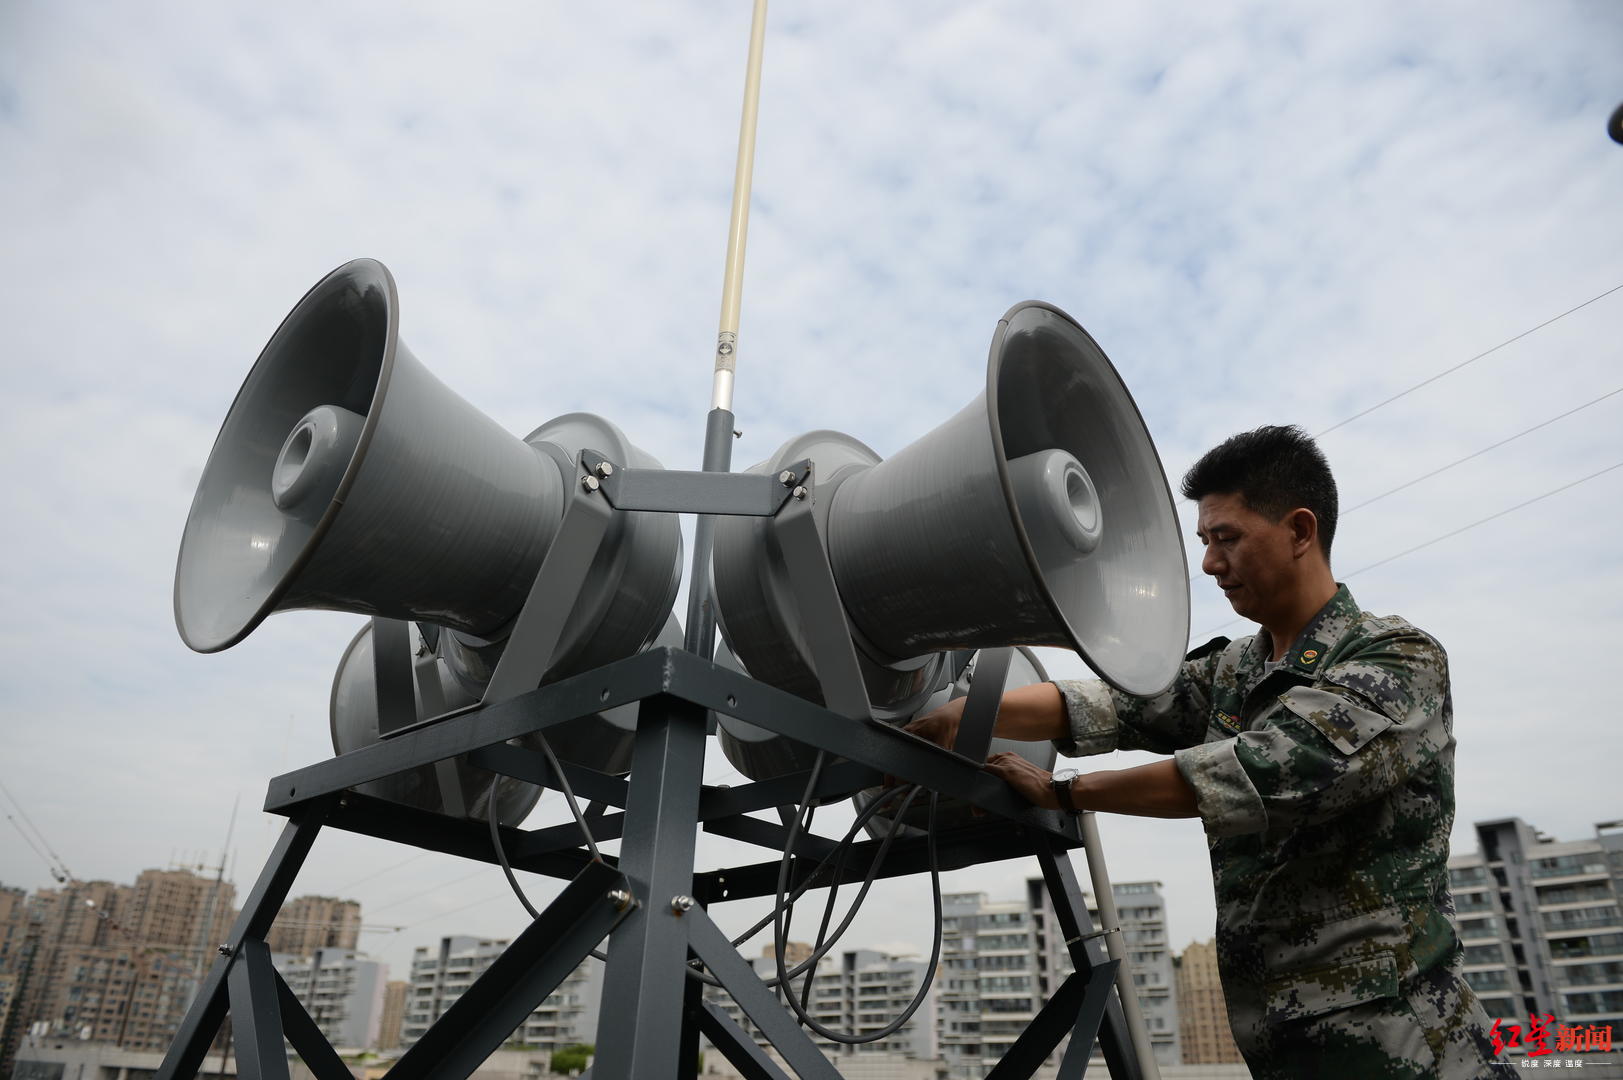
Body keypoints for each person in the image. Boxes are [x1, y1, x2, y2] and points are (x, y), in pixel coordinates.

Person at [906, 425, 1497, 1079]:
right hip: (1284, 1046)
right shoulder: (1237, 668)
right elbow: (1114, 705)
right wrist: (965, 715)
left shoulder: (1393, 658)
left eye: (1227, 538)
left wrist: (1069, 793)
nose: (1211, 563)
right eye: (1204, 542)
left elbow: (1261, 773)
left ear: (1300, 531)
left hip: (1406, 1046)